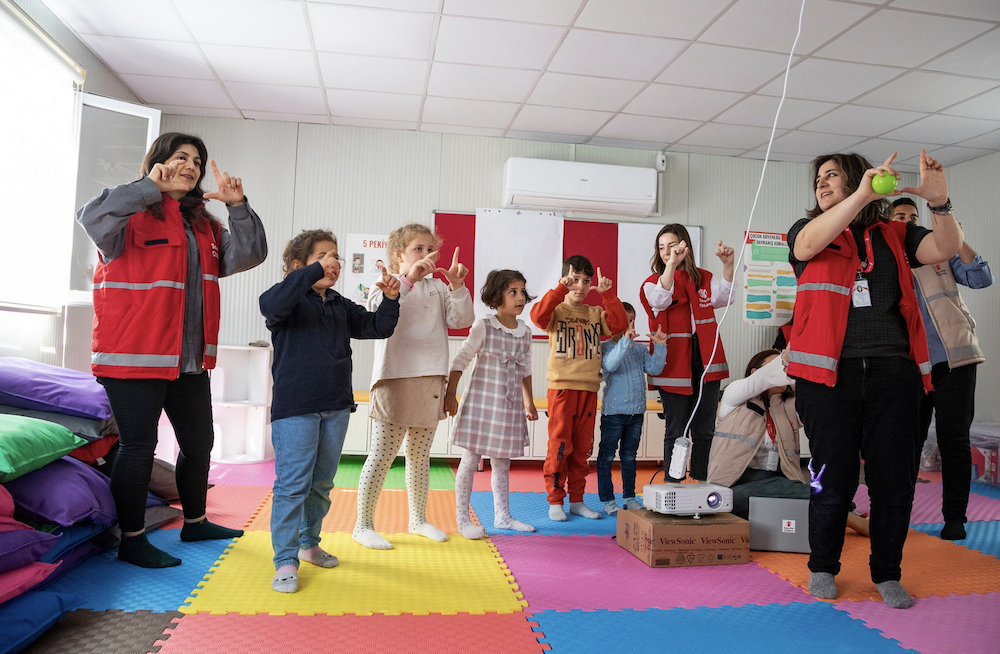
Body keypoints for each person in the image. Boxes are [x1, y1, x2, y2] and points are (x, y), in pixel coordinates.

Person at [76, 132, 267, 568]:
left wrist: (237, 207)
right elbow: (90, 216)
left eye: (197, 161)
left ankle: (195, 521)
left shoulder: (204, 225)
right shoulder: (129, 216)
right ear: (157, 162)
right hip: (133, 355)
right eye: (181, 157)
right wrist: (149, 188)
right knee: (139, 446)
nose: (191, 166)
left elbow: (249, 254)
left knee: (200, 443)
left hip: (189, 360)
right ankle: (132, 539)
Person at [787, 150, 962, 609]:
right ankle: (823, 566)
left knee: (893, 482)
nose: (822, 184)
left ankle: (887, 572)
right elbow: (806, 248)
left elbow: (944, 249)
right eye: (818, 178)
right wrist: (859, 195)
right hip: (828, 377)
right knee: (832, 477)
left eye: (832, 176)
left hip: (893, 373)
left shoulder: (897, 234)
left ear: (855, 178)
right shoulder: (806, 232)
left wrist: (941, 204)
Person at [260, 230, 399, 592]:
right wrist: (306, 274)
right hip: (296, 408)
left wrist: (390, 298)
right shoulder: (287, 300)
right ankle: (285, 560)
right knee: (293, 486)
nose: (333, 263)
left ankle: (308, 545)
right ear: (297, 267)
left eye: (335, 256)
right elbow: (271, 305)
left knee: (321, 484)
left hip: (335, 406)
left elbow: (377, 327)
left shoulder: (338, 303)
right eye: (323, 256)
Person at [352, 224, 475, 549]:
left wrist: (459, 286)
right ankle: (362, 524)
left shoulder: (438, 288)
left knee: (420, 456)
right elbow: (377, 311)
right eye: (418, 249)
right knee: (381, 455)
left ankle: (418, 519)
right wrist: (408, 280)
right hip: (394, 377)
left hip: (431, 378)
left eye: (429, 249)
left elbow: (461, 320)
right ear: (398, 254)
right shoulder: (388, 283)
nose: (426, 255)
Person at [890, 197, 993, 541]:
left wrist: (954, 237)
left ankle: (955, 519)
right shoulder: (885, 261)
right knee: (905, 443)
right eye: (900, 217)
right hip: (909, 366)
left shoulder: (941, 252)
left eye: (913, 217)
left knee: (954, 441)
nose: (908, 222)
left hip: (954, 361)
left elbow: (981, 278)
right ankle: (898, 514)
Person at [707, 349, 869, 537]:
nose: (785, 369)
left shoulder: (789, 405)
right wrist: (786, 356)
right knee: (793, 491)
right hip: (732, 486)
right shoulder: (734, 395)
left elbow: (819, 402)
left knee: (794, 491)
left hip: (779, 482)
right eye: (777, 364)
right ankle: (851, 518)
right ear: (755, 371)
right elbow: (762, 380)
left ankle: (838, 506)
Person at [530, 255, 628, 522]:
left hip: (589, 390)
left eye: (586, 281)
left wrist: (607, 295)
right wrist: (561, 288)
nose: (581, 286)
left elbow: (619, 325)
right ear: (565, 279)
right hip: (562, 389)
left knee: (583, 449)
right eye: (575, 280)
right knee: (560, 447)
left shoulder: (595, 314)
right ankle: (555, 500)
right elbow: (538, 317)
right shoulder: (557, 311)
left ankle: (576, 500)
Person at [639, 225, 737, 481]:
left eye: (671, 245)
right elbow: (660, 300)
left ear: (685, 246)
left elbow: (725, 298)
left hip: (705, 359)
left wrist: (728, 266)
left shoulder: (703, 277)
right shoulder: (653, 283)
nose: (666, 252)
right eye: (661, 248)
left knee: (704, 430)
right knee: (676, 430)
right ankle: (673, 484)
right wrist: (671, 265)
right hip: (674, 364)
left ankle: (702, 483)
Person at [446, 269, 538, 539]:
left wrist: (529, 403)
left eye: (522, 291)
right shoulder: (484, 326)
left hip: (508, 407)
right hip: (482, 404)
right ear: (496, 297)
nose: (520, 297)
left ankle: (503, 516)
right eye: (513, 292)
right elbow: (462, 358)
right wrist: (451, 392)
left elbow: (526, 369)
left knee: (502, 463)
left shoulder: (525, 332)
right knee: (471, 459)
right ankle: (463, 518)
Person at [597, 303, 667, 516]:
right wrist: (625, 340)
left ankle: (629, 497)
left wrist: (661, 346)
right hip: (614, 413)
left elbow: (654, 368)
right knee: (607, 457)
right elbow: (609, 365)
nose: (630, 324)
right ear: (611, 323)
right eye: (625, 319)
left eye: (632, 319)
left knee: (629, 456)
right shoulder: (607, 346)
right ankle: (608, 500)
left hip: (636, 412)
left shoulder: (639, 349)